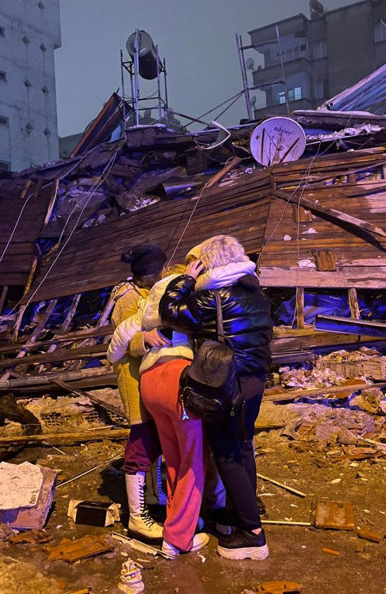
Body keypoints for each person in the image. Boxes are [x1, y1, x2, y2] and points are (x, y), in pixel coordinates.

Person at [159, 235, 272, 561]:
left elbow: (170, 313)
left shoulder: (213, 297)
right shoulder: (257, 293)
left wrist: (186, 280)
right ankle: (242, 513)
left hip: (227, 385)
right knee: (243, 447)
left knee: (227, 454)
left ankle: (252, 534)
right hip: (254, 381)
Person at [108, 265, 213, 555]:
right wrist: (190, 281)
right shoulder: (178, 295)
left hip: (150, 382)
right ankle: (177, 539)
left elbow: (116, 344)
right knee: (191, 461)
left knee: (174, 460)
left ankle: (177, 521)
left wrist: (142, 338)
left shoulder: (147, 302)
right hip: (176, 377)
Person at [109, 243, 168, 542]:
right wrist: (147, 338)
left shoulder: (147, 291)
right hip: (134, 379)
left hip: (152, 377)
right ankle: (137, 516)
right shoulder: (127, 297)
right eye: (157, 272)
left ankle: (154, 499)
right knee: (141, 440)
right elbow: (125, 345)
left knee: (155, 440)